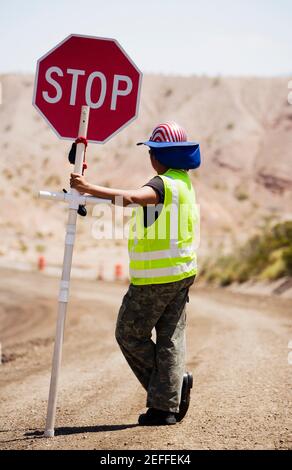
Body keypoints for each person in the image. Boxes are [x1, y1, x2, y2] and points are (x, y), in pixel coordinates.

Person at [70, 121, 201, 426]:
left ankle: (168, 392)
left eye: (152, 151)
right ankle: (165, 407)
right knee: (170, 338)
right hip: (182, 272)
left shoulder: (161, 184)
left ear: (159, 155)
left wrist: (88, 189)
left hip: (155, 279)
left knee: (129, 333)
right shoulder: (183, 183)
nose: (150, 157)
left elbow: (130, 199)